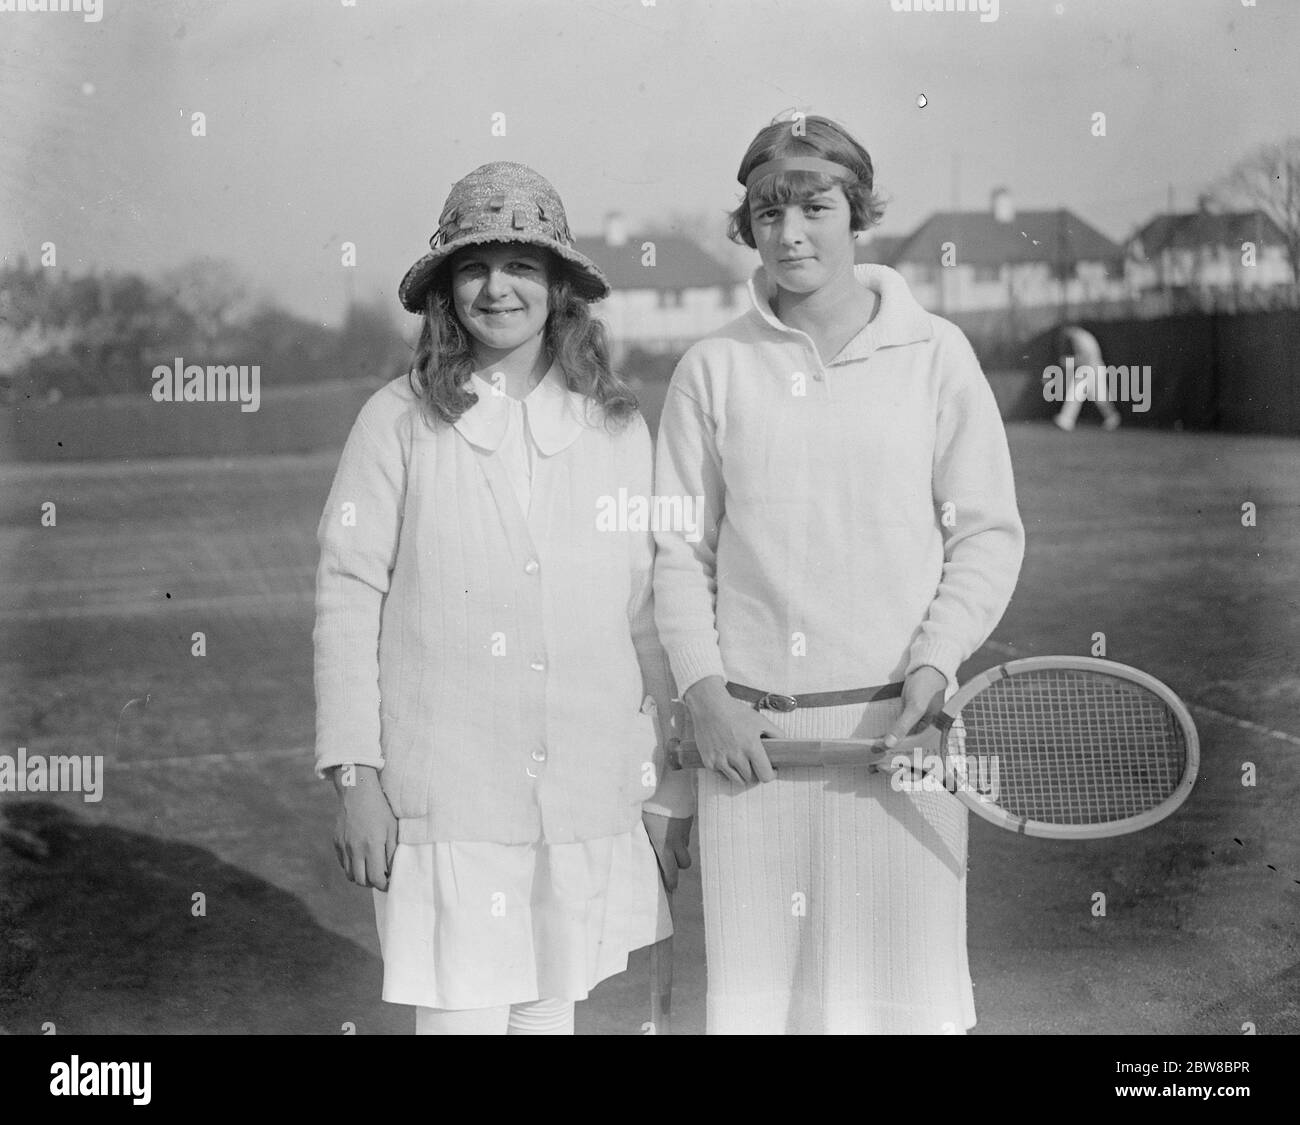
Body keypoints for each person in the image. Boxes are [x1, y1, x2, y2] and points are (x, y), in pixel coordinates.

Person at [652, 116, 1025, 1034]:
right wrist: (705, 696)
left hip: (907, 742)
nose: (790, 235)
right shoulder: (712, 369)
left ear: (855, 212)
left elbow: (985, 535)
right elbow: (675, 552)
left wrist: (931, 675)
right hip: (753, 756)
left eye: (814, 207)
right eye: (768, 213)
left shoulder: (938, 355)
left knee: (906, 1013)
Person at [313, 161, 693, 1035]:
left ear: (559, 286)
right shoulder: (396, 421)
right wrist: (354, 778)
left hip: (583, 802)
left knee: (547, 1014)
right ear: (447, 287)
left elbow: (649, 616)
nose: (498, 287)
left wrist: (668, 791)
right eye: (476, 266)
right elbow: (346, 599)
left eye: (522, 265)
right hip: (447, 803)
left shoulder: (615, 426)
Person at [1052, 324, 1121, 431]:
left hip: (1090, 369)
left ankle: (1066, 420)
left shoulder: (1080, 338)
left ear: (1070, 329)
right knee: (1099, 397)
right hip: (1094, 369)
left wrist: (1069, 361)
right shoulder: (1083, 336)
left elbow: (1087, 357)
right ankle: (1112, 418)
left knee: (1075, 393)